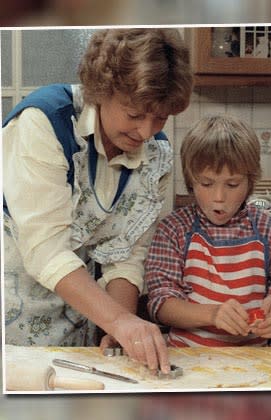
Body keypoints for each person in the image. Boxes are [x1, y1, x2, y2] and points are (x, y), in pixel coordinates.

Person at [3, 28, 193, 373]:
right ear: (101, 90)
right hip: (12, 317)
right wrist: (120, 320)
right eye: (134, 114)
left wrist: (116, 329)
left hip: (82, 319)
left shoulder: (156, 154)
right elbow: (46, 250)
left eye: (161, 117)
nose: (147, 132)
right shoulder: (43, 123)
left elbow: (126, 255)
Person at [145, 115, 271, 347]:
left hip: (256, 365)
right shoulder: (174, 230)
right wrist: (212, 314)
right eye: (206, 184)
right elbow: (161, 305)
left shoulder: (270, 232)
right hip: (188, 361)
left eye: (232, 185)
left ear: (250, 182)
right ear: (191, 181)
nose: (219, 198)